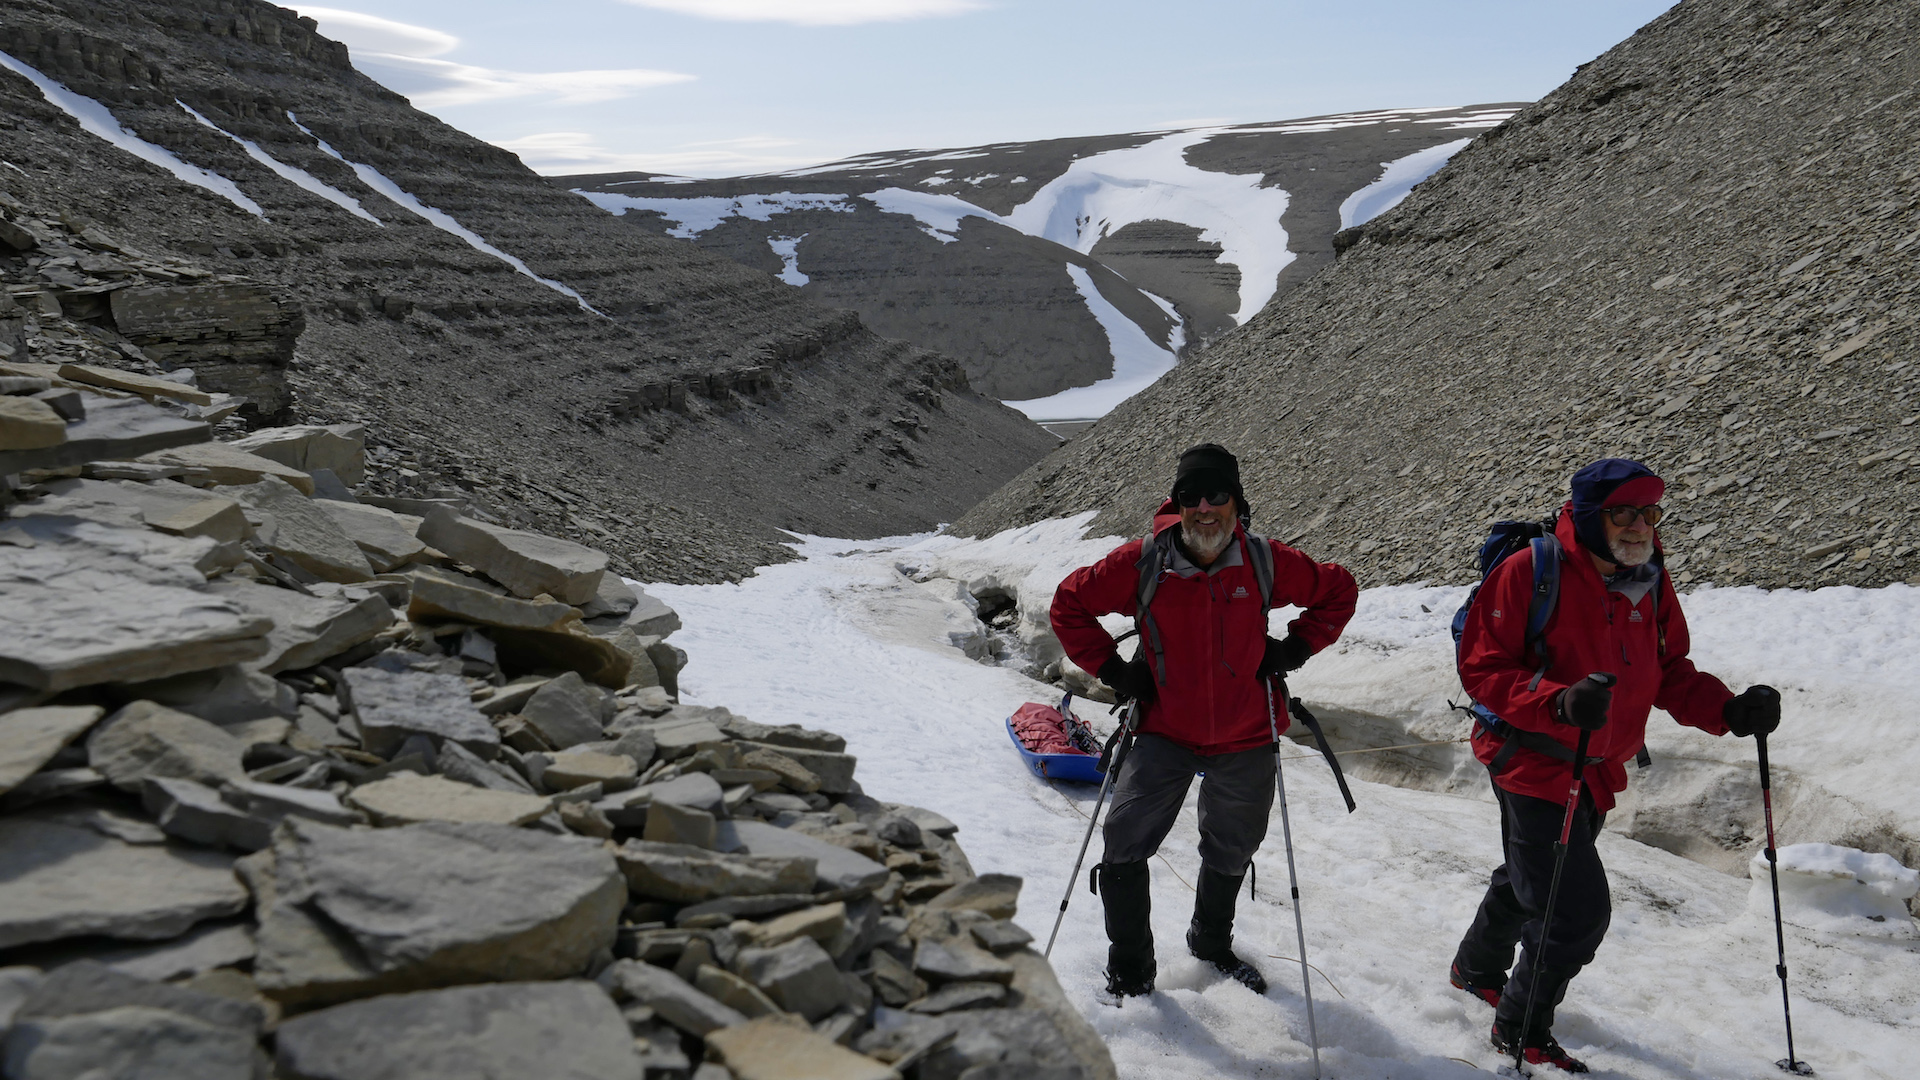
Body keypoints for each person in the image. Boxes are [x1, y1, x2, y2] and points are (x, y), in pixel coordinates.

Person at [1449, 458, 1782, 1073]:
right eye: (1623, 512)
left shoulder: (1649, 580)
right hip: (1533, 761)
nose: (1638, 526)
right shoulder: (1531, 572)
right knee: (1572, 913)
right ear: (1589, 513)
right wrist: (1557, 701)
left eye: (1650, 512)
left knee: (1534, 878)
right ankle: (1519, 1030)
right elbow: (1484, 669)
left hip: (1598, 767)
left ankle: (1474, 968)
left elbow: (1670, 672)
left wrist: (1729, 710)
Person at [1050, 443, 1358, 998]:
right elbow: (1069, 603)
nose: (1205, 508)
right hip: (1163, 729)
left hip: (1245, 733)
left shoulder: (1264, 560)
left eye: (1218, 495)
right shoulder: (1146, 562)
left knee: (1233, 845)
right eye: (1192, 496)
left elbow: (1338, 590)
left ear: (1237, 504)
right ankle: (1130, 970)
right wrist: (1115, 670)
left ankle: (1210, 941)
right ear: (1178, 503)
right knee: (1124, 839)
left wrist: (1294, 649)